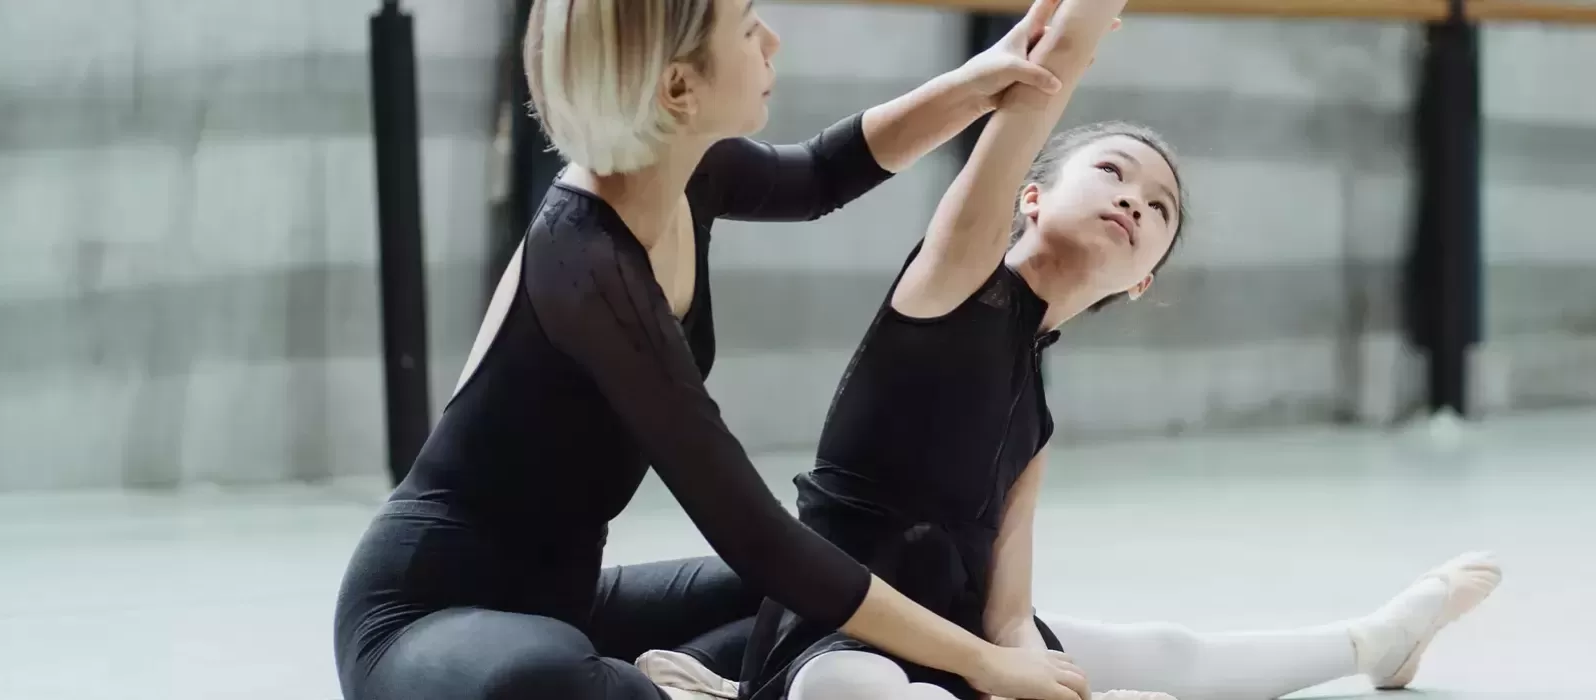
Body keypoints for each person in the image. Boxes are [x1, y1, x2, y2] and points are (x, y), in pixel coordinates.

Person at [629, 3, 1505, 699]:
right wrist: (1077, 29)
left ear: (1142, 280)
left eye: (1159, 209)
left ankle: (1375, 639)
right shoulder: (954, 282)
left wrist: (1025, 668)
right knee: (859, 688)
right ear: (1034, 200)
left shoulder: (1035, 416)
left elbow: (1009, 615)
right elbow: (1043, 85)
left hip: (961, 635)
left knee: (1162, 650)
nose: (1135, 202)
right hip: (834, 637)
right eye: (1114, 173)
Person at [330, 0, 1122, 699]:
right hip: (428, 619)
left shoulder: (676, 173)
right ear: (680, 88)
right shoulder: (589, 265)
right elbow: (751, 529)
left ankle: (697, 682)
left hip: (564, 599)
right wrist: (986, 663)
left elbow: (819, 173)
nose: (771, 40)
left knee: (858, 581)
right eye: (748, 27)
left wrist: (985, 75)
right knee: (549, 677)